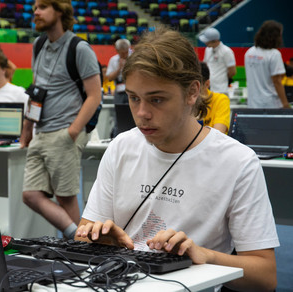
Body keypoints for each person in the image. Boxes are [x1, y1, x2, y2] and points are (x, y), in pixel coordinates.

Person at [76, 26, 279, 292]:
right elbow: (82, 236)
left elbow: (266, 277)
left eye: (157, 100)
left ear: (193, 92)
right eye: (134, 99)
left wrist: (206, 256)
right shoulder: (121, 146)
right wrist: (96, 240)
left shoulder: (238, 161)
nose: (142, 113)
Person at [20, 0, 101, 239]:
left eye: (43, 7)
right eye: (35, 7)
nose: (36, 12)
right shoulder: (39, 44)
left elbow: (95, 95)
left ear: (60, 11)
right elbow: (36, 90)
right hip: (41, 132)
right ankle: (80, 238)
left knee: (66, 198)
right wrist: (27, 127)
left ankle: (81, 251)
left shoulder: (79, 48)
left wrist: (73, 131)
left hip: (64, 132)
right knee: (31, 194)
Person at [245, 20, 290, 109]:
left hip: (252, 103)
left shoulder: (249, 52)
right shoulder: (274, 54)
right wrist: (285, 104)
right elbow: (277, 81)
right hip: (271, 104)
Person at [199, 27, 236, 95]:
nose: (205, 43)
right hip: (208, 88)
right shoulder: (207, 49)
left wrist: (222, 79)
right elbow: (206, 65)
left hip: (221, 90)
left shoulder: (227, 51)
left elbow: (232, 71)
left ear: (215, 41)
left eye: (207, 41)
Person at [199, 62, 230, 134]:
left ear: (207, 84)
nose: (192, 92)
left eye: (197, 86)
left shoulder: (220, 100)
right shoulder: (185, 101)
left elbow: (218, 134)